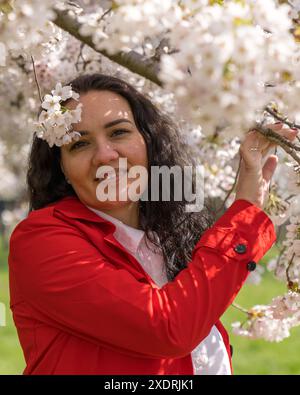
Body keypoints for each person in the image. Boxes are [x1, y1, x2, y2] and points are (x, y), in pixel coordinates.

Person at [8, 73, 297, 375]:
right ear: (62, 168)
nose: (106, 155)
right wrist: (246, 214)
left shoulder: (169, 237)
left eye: (119, 132)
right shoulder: (41, 242)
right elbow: (169, 328)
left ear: (149, 143)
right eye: (79, 144)